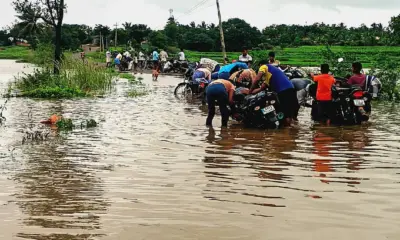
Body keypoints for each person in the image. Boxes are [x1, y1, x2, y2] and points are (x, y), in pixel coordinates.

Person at [249, 60, 298, 125]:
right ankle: (293, 128)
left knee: (285, 113)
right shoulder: (271, 74)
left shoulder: (264, 66)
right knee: (290, 112)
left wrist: (250, 90)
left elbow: (257, 79)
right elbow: (261, 88)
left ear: (260, 65)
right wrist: (251, 92)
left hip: (283, 91)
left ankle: (287, 131)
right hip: (291, 89)